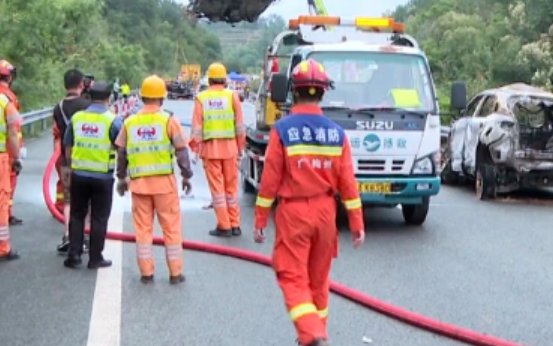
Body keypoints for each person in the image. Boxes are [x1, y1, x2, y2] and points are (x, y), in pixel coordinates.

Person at [254, 59, 365, 346]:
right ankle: (316, 334)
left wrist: (260, 220)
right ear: (324, 93)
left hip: (294, 213)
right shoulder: (337, 134)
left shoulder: (283, 129)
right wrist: (356, 223)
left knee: (291, 275)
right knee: (318, 280)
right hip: (326, 214)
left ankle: (312, 333)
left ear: (294, 91)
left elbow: (270, 181)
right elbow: (348, 184)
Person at [114, 75, 193, 284]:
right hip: (165, 187)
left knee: (142, 230)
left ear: (141, 97)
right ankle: (175, 273)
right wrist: (186, 176)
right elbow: (182, 151)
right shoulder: (169, 120)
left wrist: (121, 178)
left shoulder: (129, 123)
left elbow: (121, 154)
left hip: (139, 186)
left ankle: (146, 273)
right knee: (171, 229)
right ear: (162, 98)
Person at [61, 82, 123, 269]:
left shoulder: (77, 118)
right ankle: (95, 258)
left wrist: (70, 168)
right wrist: (122, 175)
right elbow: (122, 150)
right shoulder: (113, 121)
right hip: (102, 177)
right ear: (109, 98)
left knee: (77, 215)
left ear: (88, 96)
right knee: (99, 218)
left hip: (79, 175)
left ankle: (74, 255)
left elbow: (68, 147)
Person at [189, 62, 246, 237]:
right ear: (224, 79)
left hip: (211, 150)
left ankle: (224, 225)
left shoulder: (202, 98)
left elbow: (197, 127)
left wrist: (195, 149)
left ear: (210, 79)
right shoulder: (232, 96)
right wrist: (241, 146)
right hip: (230, 149)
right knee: (231, 188)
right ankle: (235, 224)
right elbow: (240, 125)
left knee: (218, 190)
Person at [53, 69, 93, 253]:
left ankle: (67, 236)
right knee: (87, 202)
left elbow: (57, 133)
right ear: (80, 84)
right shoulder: (88, 105)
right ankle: (83, 237)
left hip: (65, 158)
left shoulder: (58, 107)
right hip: (85, 159)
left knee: (68, 200)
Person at [0, 59, 22, 261]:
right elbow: (13, 132)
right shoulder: (6, 100)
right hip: (1, 158)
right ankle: (3, 247)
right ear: (9, 76)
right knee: (1, 202)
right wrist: (16, 157)